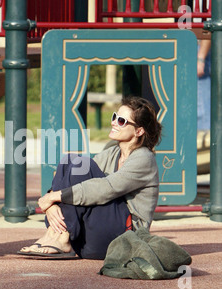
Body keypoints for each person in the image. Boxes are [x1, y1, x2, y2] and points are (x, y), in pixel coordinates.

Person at [18, 96, 162, 260]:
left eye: (122, 121)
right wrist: (50, 203)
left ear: (139, 131)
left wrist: (53, 197)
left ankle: (61, 235)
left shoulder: (144, 159)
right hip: (93, 238)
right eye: (114, 116)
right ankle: (56, 233)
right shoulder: (112, 152)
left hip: (124, 238)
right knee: (70, 161)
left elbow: (106, 188)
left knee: (81, 166)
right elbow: (74, 178)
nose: (114, 122)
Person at [197, 39, 211, 131]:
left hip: (198, 50)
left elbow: (208, 30)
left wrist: (200, 58)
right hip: (183, 47)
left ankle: (205, 143)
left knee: (201, 109)